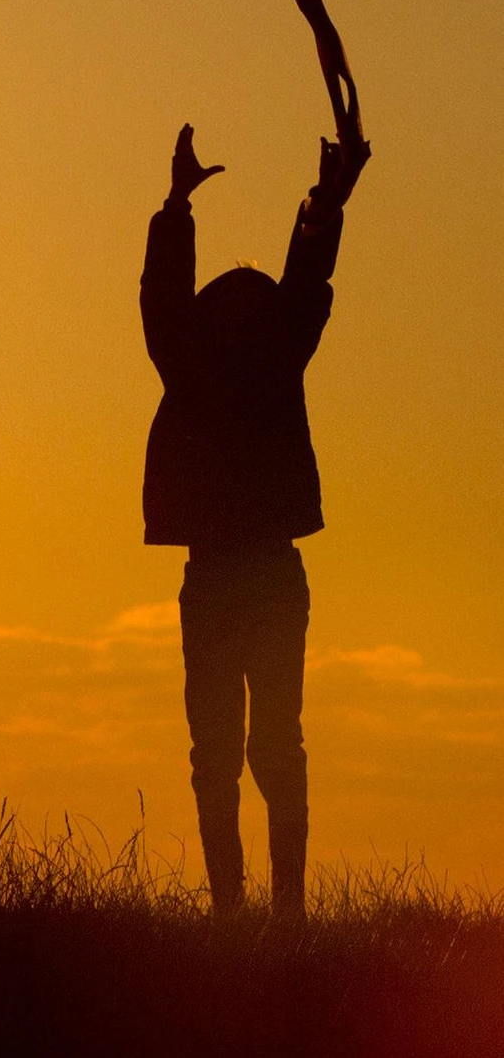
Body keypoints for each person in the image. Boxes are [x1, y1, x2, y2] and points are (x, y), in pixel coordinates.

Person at [142, 123, 366, 918]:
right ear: (208, 319)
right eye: (226, 300)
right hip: (223, 578)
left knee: (270, 744)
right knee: (217, 755)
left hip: (265, 576)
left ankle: (284, 912)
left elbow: (302, 285)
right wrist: (174, 206)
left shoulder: (272, 362)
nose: (241, 308)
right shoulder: (191, 366)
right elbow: (167, 301)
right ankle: (234, 911)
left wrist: (325, 205)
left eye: (251, 300)